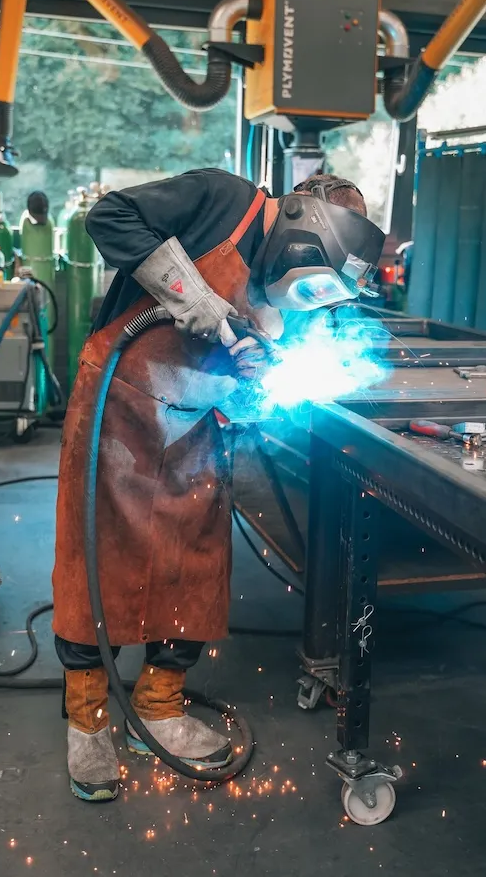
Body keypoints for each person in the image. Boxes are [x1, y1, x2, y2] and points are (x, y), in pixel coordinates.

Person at [51, 168, 383, 801]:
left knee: (196, 562)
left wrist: (258, 375)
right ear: (302, 232)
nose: (309, 301)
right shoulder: (222, 200)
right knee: (96, 561)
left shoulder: (297, 291)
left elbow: (257, 381)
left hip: (196, 422)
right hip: (119, 407)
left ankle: (158, 705)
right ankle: (87, 721)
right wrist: (192, 297)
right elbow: (108, 216)